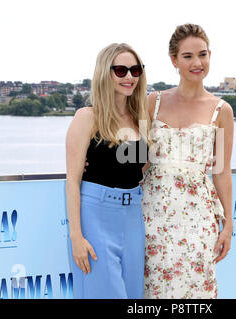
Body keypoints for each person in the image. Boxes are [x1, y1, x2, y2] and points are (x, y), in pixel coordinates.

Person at [141, 23, 234, 299]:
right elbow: (136, 160)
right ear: (174, 60)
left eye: (203, 54)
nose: (197, 62)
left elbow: (222, 171)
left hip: (198, 219)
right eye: (188, 56)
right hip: (152, 215)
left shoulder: (222, 110)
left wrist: (228, 222)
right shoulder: (153, 102)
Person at [65, 43, 150, 299]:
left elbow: (140, 168)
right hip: (96, 215)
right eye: (121, 70)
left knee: (133, 296)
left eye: (135, 70)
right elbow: (72, 181)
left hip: (133, 216)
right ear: (105, 72)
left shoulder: (140, 118)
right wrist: (76, 237)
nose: (129, 77)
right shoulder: (87, 117)